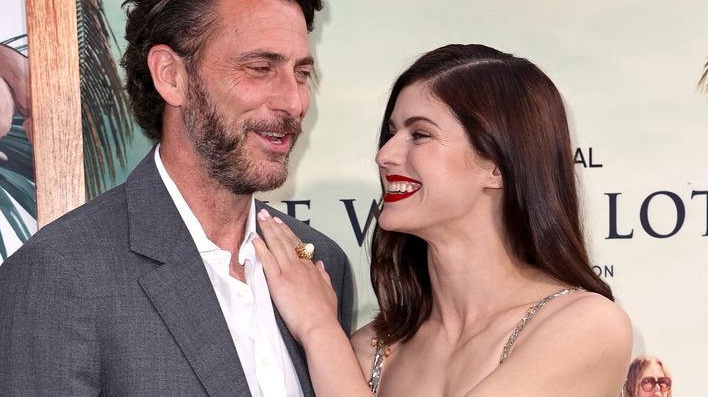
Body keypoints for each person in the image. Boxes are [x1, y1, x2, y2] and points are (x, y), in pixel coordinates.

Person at [0, 0, 353, 395]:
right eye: (260, 68)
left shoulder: (322, 263)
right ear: (171, 76)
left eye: (302, 73)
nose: (294, 101)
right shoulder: (59, 278)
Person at [253, 44, 633, 397]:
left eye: (419, 134)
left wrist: (320, 330)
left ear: (497, 167)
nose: (384, 155)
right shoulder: (369, 350)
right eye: (390, 133)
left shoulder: (586, 326)